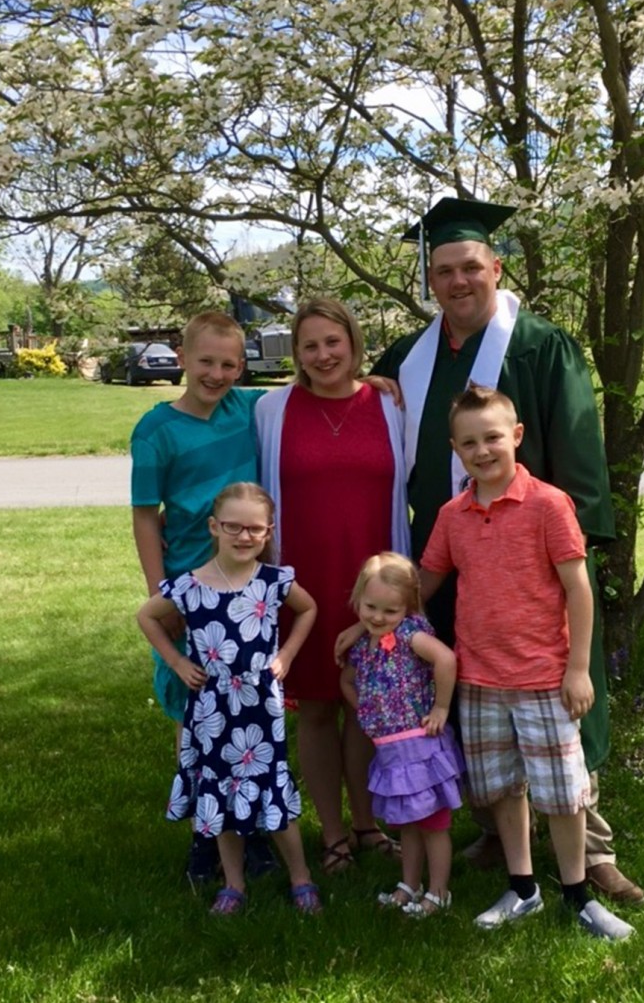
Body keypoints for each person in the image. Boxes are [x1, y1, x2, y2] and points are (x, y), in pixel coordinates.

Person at [371, 196, 644, 904]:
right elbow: (366, 397)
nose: (459, 282)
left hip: (532, 563)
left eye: (471, 267)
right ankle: (500, 831)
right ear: (430, 281)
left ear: (497, 266)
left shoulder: (541, 345)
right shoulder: (411, 354)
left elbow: (580, 457)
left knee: (557, 702)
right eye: (443, 271)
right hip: (451, 552)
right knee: (474, 700)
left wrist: (570, 555)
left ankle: (591, 846)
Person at [419, 386, 632, 939]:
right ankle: (523, 888)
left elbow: (578, 590)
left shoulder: (548, 504)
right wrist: (374, 613)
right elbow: (427, 582)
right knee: (505, 789)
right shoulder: (452, 515)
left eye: (492, 437)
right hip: (480, 677)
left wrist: (578, 668)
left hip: (544, 677)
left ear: (515, 436)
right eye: (469, 442)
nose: (482, 450)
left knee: (563, 793)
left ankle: (578, 895)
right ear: (455, 449)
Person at [255, 298, 411, 874]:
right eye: (310, 345)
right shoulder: (272, 410)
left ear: (353, 343)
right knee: (318, 708)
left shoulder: (392, 405)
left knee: (369, 703)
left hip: (375, 580)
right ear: (295, 353)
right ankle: (334, 834)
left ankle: (369, 824)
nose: (323, 355)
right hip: (306, 584)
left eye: (333, 342)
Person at [131, 310, 272, 883]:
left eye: (229, 363)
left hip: (252, 588)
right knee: (197, 712)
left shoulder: (248, 407)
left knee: (250, 710)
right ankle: (206, 834)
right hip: (194, 586)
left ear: (242, 365)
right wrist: (160, 591)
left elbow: (315, 388)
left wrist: (375, 382)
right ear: (182, 358)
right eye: (206, 361)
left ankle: (254, 828)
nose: (217, 373)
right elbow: (145, 517)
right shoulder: (156, 429)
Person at [136, 481, 322, 916]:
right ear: (214, 527)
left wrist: (287, 655)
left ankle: (301, 877)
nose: (244, 537)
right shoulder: (189, 587)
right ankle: (234, 883)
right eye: (233, 527)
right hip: (212, 711)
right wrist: (177, 663)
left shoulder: (274, 582)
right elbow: (146, 616)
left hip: (260, 707)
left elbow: (309, 609)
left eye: (254, 529)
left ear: (269, 532)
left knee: (273, 791)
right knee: (220, 794)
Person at [339, 552, 464, 915]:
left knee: (433, 823)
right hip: (389, 750)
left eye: (389, 611)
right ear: (358, 600)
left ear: (407, 607)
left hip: (420, 747)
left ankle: (439, 891)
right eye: (370, 607)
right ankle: (409, 884)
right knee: (407, 823)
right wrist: (365, 709)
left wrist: (440, 707)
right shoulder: (364, 646)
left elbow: (446, 659)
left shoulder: (411, 634)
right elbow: (346, 679)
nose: (378, 617)